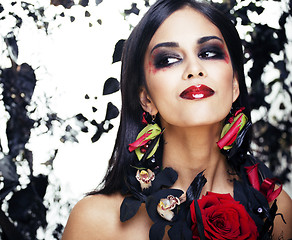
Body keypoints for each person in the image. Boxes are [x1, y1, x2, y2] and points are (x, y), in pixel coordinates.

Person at [62, 0, 292, 239]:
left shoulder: (275, 209)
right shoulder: (95, 221)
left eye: (209, 53)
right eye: (169, 59)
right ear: (146, 98)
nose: (194, 69)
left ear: (234, 84)